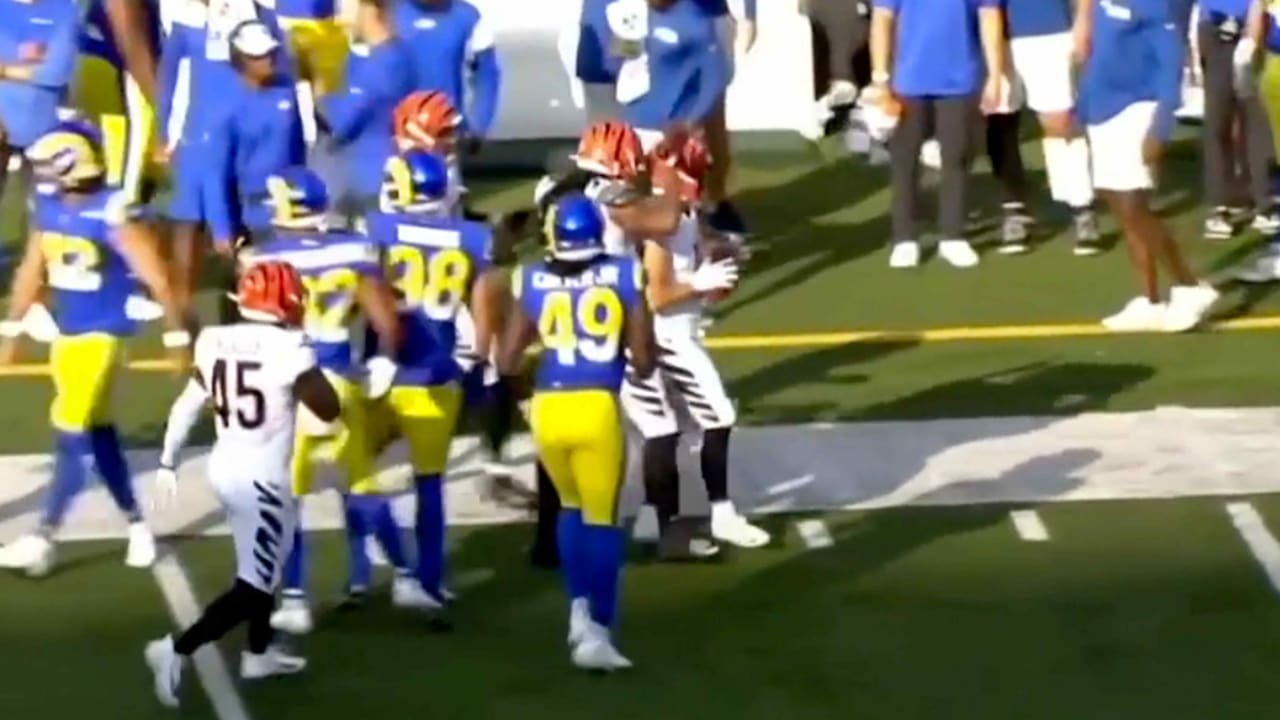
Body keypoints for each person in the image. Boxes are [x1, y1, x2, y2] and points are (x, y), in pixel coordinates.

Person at [228, 167, 418, 635]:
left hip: (288, 386)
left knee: (286, 495)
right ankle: (405, 575)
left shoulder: (258, 258)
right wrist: (386, 362)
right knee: (359, 486)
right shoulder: (355, 249)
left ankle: (294, 597)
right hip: (341, 380)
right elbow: (387, 321)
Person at [145, 260, 341, 708]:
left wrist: (167, 461)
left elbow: (188, 404)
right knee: (255, 583)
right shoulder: (290, 348)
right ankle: (175, 649)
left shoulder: (214, 340)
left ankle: (258, 652)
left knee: (266, 564)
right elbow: (329, 409)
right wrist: (308, 360)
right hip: (262, 480)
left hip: (225, 466)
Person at [0, 121, 188, 576]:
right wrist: (11, 330)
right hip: (68, 333)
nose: (40, 175)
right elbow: (30, 270)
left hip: (103, 335)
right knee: (98, 433)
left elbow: (158, 278)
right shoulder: (49, 207)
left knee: (70, 432)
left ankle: (43, 536)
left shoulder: (112, 211)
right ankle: (138, 525)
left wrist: (176, 337)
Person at [496, 192, 657, 672]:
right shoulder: (625, 272)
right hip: (597, 405)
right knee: (603, 519)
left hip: (549, 405)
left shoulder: (530, 276)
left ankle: (578, 610)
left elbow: (506, 360)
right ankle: (599, 632)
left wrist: (529, 391)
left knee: (569, 508)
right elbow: (645, 360)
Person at [362, 149, 503, 607]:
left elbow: (362, 295)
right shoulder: (470, 237)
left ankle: (363, 572)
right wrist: (473, 366)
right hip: (438, 373)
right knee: (429, 483)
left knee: (353, 472)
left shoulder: (376, 229)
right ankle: (426, 579)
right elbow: (482, 320)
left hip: (381, 371)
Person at [625, 134, 769, 559]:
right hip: (666, 335)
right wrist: (699, 284)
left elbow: (696, 234)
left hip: (667, 332)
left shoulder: (674, 212)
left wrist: (715, 251)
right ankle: (720, 514)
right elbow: (656, 295)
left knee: (663, 431)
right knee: (715, 418)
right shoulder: (661, 224)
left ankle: (654, 517)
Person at [1076, 0, 1218, 332]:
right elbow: (1100, 54)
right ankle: (1149, 301)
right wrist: (1082, 106)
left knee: (1132, 204)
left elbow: (1171, 62)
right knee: (1118, 202)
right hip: (1101, 108)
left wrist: (1161, 126)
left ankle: (1190, 286)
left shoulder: (1154, 4)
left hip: (1137, 107)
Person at [157, 0, 289, 311]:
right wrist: (167, 133)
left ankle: (254, 302)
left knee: (243, 220)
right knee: (189, 222)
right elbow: (170, 78)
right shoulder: (184, 15)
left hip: (244, 124)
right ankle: (181, 314)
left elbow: (278, 62)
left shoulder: (257, 13)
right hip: (197, 131)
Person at [868, 0, 1004, 270]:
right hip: (907, 82)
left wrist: (996, 75)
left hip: (961, 81)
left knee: (956, 158)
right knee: (904, 161)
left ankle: (953, 236)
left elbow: (989, 15)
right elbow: (882, 18)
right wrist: (880, 78)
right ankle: (904, 238)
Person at [1003, 0, 1101, 255]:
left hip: (1048, 32)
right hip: (990, 33)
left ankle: (1082, 208)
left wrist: (1083, 22)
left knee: (1060, 122)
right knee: (1000, 125)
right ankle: (1015, 210)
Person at [206, 20, 309, 252]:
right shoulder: (226, 108)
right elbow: (218, 173)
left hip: (296, 204)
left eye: (270, 53)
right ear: (242, 59)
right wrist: (222, 228)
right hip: (256, 211)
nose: (268, 60)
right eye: (259, 55)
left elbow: (301, 147)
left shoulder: (288, 90)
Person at [315, 0, 415, 227]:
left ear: (369, 8)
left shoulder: (380, 65)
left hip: (364, 185)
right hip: (382, 173)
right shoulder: (400, 55)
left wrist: (317, 95)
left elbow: (341, 123)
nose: (341, 14)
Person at [1197, 0, 1276, 238]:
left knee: (1255, 120)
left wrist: (1252, 38)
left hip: (1258, 29)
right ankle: (1219, 206)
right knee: (1218, 120)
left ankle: (1264, 202)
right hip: (1214, 27)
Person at [73, 0, 164, 203]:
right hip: (120, 72)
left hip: (108, 65)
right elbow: (126, 22)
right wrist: (162, 105)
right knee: (121, 193)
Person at [391, 0, 501, 152]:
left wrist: (477, 127)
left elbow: (487, 75)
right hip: (394, 139)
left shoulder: (468, 17)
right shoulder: (386, 13)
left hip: (444, 138)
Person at [0, 0, 79, 196]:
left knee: (47, 209)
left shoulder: (65, 9)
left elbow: (57, 72)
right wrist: (30, 67)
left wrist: (4, 69)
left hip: (45, 133)